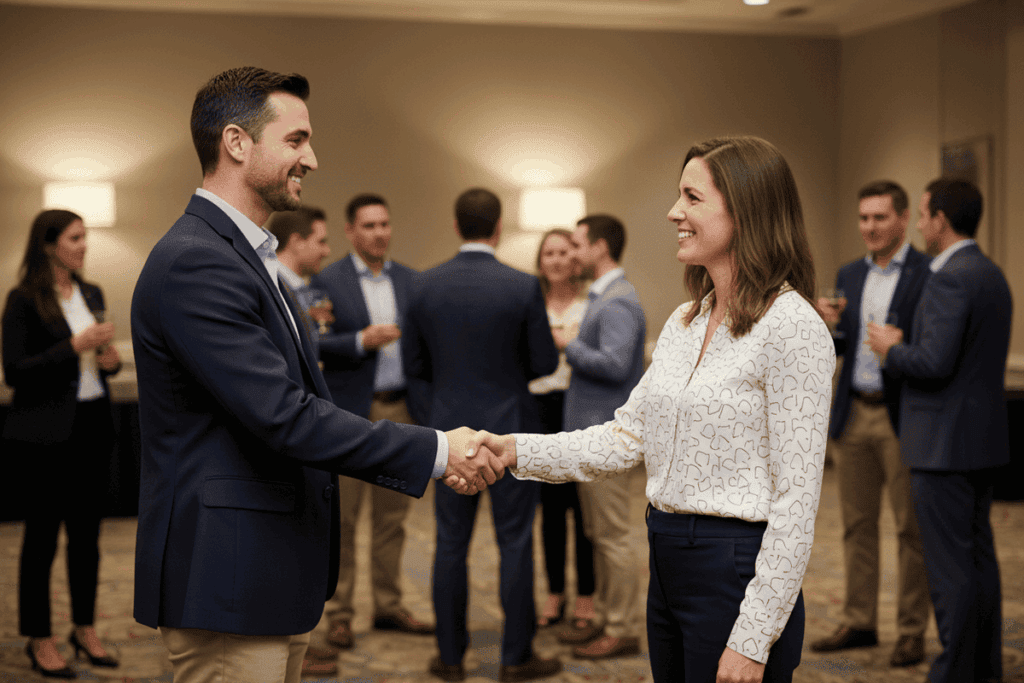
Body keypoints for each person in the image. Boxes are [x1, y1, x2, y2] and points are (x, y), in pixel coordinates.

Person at [129, 66, 505, 683]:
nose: (313, 158)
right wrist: (439, 449)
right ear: (236, 143)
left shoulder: (245, 256)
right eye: (297, 140)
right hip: (228, 576)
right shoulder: (197, 263)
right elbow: (283, 414)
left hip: (266, 567)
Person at [470, 135, 836, 683]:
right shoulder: (685, 321)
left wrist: (754, 637)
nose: (674, 213)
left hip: (735, 569)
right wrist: (514, 449)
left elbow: (797, 501)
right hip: (667, 559)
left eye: (692, 198)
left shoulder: (794, 328)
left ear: (746, 209)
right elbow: (625, 436)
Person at [402, 187, 561, 683]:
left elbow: (414, 370)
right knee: (515, 543)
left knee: (450, 543)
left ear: (457, 227)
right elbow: (545, 363)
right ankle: (516, 659)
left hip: (449, 434)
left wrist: (439, 428)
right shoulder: (522, 286)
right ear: (497, 228)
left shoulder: (424, 285)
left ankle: (450, 658)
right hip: (511, 433)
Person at [868, 178, 1012, 683]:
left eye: (925, 214)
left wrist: (890, 349)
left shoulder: (950, 276)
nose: (923, 224)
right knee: (978, 561)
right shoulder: (990, 272)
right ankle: (981, 667)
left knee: (950, 570)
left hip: (942, 446)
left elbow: (933, 363)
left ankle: (954, 670)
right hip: (979, 440)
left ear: (941, 221)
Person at [810, 181, 931, 667]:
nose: (870, 228)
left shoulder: (926, 273)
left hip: (902, 414)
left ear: (902, 219)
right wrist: (827, 325)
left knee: (910, 530)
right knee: (856, 525)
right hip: (854, 411)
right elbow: (838, 347)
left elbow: (932, 343)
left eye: (880, 218)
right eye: (864, 219)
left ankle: (910, 630)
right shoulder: (850, 274)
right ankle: (860, 620)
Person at [2, 209, 122, 679]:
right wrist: (73, 347)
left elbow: (100, 365)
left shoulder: (91, 292)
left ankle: (85, 629)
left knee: (87, 539)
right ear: (49, 244)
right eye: (75, 237)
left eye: (85, 236)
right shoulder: (24, 299)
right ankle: (40, 638)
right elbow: (15, 372)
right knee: (41, 542)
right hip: (44, 435)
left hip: (92, 426)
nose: (84, 244)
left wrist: (108, 359)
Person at [315, 193, 434, 660]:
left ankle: (389, 605)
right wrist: (360, 341)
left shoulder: (412, 279)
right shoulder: (327, 280)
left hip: (401, 411)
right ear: (351, 232)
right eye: (368, 226)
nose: (379, 233)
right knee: (344, 520)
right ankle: (340, 614)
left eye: (384, 224)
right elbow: (316, 343)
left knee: (393, 519)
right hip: (349, 414)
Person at [552, 214, 645, 660]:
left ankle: (624, 626)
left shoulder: (618, 301)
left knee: (614, 535)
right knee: (599, 533)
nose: (571, 254)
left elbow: (615, 363)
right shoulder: (604, 296)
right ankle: (607, 618)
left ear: (601, 248)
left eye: (577, 245)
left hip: (607, 435)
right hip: (591, 434)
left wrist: (567, 345)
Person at [526, 228, 596, 630]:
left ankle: (586, 597)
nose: (555, 259)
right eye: (548, 252)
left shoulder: (592, 303)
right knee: (550, 511)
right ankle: (554, 594)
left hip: (580, 407)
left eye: (563, 252)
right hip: (539, 410)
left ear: (575, 258)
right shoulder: (529, 301)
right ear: (540, 261)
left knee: (584, 510)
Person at [267, 206, 332, 358]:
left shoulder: (303, 288)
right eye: (321, 242)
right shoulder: (272, 288)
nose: (327, 251)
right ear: (297, 242)